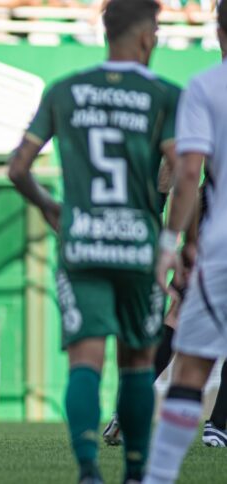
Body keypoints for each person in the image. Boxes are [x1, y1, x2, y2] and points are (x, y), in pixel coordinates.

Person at [6, 1, 181, 482]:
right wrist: (171, 239)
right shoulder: (165, 95)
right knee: (137, 361)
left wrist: (50, 206)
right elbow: (184, 170)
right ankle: (136, 471)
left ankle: (88, 470)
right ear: (144, 35)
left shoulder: (64, 90)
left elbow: (17, 168)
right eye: (156, 30)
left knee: (85, 361)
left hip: (83, 243)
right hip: (139, 246)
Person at [144, 2, 227, 481]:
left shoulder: (204, 87)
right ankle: (219, 425)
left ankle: (158, 468)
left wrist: (173, 241)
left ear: (219, 29)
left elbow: (184, 173)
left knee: (189, 354)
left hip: (216, 242)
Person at [103, 181, 227, 449]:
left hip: (209, 229)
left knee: (176, 316)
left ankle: (129, 407)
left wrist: (180, 238)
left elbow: (186, 180)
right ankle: (218, 425)